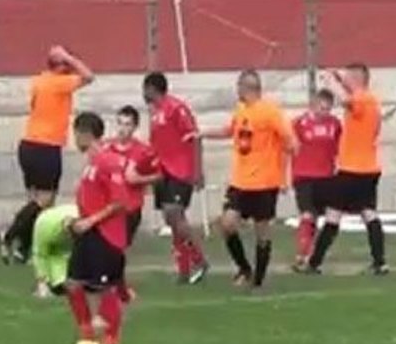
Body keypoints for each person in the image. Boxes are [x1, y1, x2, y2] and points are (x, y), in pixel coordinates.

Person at [193, 70, 293, 289]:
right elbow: (230, 130)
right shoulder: (241, 110)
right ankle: (245, 269)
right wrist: (203, 133)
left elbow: (289, 140)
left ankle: (258, 280)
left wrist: (284, 172)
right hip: (240, 182)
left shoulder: (270, 112)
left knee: (262, 231)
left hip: (265, 182)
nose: (236, 91)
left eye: (238, 87)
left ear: (247, 88)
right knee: (227, 224)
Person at [0, 45, 94, 264]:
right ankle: (10, 234)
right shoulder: (59, 83)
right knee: (45, 200)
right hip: (46, 146)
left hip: (28, 144)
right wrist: (70, 58)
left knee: (34, 201)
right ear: (61, 66)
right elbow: (89, 76)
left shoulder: (39, 80)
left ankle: (24, 248)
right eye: (67, 65)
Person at [301, 64, 388, 275]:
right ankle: (379, 261)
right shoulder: (371, 101)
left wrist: (332, 83)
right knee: (366, 212)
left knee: (333, 212)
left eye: (349, 77)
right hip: (368, 168)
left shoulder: (362, 99)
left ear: (356, 79)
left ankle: (314, 262)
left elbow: (347, 100)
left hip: (352, 169)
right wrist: (338, 76)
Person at [62, 111, 130, 344]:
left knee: (105, 289)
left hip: (106, 235)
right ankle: (87, 338)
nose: (73, 139)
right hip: (88, 232)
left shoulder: (108, 161)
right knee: (73, 283)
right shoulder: (92, 163)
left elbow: (120, 201)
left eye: (75, 134)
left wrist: (90, 220)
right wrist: (78, 220)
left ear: (84, 134)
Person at [142, 72, 209, 284]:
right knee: (170, 219)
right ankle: (184, 268)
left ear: (152, 88)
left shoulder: (176, 108)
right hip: (163, 172)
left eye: (145, 89)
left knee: (174, 212)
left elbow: (194, 138)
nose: (143, 93)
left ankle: (199, 258)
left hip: (181, 169)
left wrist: (198, 170)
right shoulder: (154, 113)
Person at [290, 89, 342, 268]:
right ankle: (302, 253)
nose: (325, 112)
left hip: (326, 176)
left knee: (323, 217)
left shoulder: (335, 124)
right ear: (313, 104)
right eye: (322, 108)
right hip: (304, 175)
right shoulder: (298, 123)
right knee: (307, 214)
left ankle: (311, 253)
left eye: (328, 109)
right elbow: (289, 147)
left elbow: (338, 148)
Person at [104, 105, 161, 246]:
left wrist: (139, 180)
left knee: (119, 248)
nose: (122, 128)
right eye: (120, 123)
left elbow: (158, 175)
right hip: (107, 208)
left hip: (130, 208)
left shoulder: (143, 151)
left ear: (135, 127)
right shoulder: (106, 149)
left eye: (127, 124)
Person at [30, 203, 78, 299]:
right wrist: (42, 281)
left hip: (72, 233)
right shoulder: (45, 226)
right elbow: (40, 254)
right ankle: (51, 284)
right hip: (47, 229)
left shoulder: (84, 222)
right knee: (57, 283)